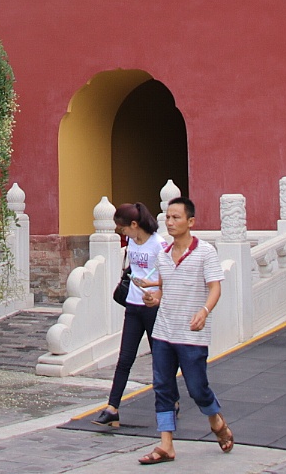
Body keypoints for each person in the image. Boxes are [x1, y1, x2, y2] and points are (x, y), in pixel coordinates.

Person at [137, 196, 233, 465]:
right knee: (162, 387)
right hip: (163, 331)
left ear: (191, 221)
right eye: (167, 217)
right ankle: (166, 444)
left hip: (191, 334)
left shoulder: (205, 252)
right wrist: (154, 298)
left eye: (176, 217)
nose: (170, 222)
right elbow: (164, 290)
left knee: (197, 388)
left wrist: (204, 311)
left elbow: (215, 287)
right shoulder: (163, 255)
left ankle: (216, 421)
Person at [92, 202, 165, 428]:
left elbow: (169, 274)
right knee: (125, 358)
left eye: (123, 228)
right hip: (133, 305)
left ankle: (169, 401)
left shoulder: (159, 244)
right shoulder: (132, 241)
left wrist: (155, 290)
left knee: (159, 358)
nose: (122, 232)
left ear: (134, 224)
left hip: (152, 306)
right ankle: (112, 408)